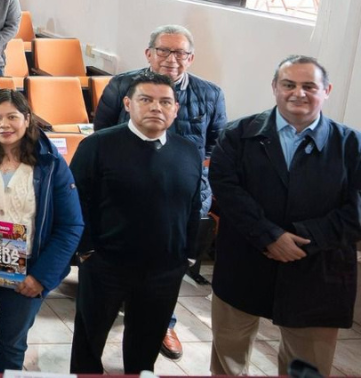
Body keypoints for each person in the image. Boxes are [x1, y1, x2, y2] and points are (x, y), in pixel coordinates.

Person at [209, 56, 360, 376]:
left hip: (318, 269)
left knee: (307, 365)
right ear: (275, 87)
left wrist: (306, 239)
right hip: (246, 260)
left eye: (309, 86)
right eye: (289, 84)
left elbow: (358, 209)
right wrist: (269, 236)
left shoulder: (352, 145)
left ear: (327, 90)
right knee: (228, 358)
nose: (298, 93)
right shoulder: (237, 134)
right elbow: (226, 190)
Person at [92, 24, 227, 359]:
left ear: (191, 58)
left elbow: (215, 145)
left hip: (182, 197)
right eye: (163, 50)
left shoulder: (210, 94)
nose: (171, 59)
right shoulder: (121, 85)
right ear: (148, 53)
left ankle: (164, 321)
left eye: (180, 52)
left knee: (166, 266)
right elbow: (102, 133)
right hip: (127, 192)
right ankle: (118, 308)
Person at [69, 71, 202, 375]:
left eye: (165, 102)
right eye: (146, 99)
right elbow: (75, 202)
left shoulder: (188, 151)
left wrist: (189, 253)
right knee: (89, 341)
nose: (156, 107)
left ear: (175, 109)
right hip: (106, 265)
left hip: (164, 270)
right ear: (128, 104)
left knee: (145, 348)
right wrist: (86, 250)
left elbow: (193, 205)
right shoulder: (97, 145)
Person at [0, 90, 82, 373]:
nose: (4, 124)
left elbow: (71, 225)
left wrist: (41, 277)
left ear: (27, 119)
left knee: (13, 346)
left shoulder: (50, 162)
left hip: (29, 274)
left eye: (12, 117)